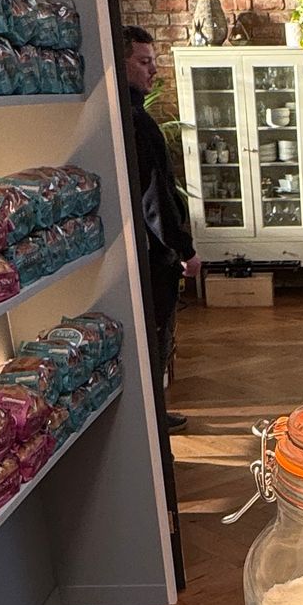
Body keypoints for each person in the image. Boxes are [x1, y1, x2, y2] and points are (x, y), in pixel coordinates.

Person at [122, 25, 197, 429]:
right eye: (144, 61)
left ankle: (151, 418)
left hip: (144, 254)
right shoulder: (138, 123)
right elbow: (157, 200)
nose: (153, 70)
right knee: (156, 340)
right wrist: (184, 250)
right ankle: (153, 423)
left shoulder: (125, 119)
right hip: (155, 259)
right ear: (121, 64)